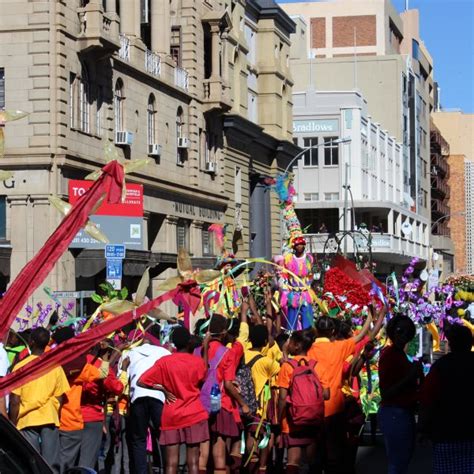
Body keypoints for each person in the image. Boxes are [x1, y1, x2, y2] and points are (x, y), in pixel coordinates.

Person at [307, 306, 384, 474]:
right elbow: (364, 336)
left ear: (316, 329)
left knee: (317, 453)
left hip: (312, 407)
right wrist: (372, 317)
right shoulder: (339, 347)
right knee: (335, 452)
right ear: (333, 330)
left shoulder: (309, 348)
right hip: (335, 407)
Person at [139, 326, 209, 474]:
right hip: (194, 413)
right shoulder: (197, 362)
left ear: (174, 343)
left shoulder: (165, 362)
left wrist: (162, 390)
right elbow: (204, 376)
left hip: (172, 414)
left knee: (171, 462)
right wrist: (206, 347)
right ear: (189, 342)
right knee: (193, 462)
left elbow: (141, 381)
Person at [9, 327, 70, 473]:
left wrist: (12, 423)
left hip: (27, 419)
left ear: (31, 342)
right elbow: (59, 397)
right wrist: (56, 414)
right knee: (51, 464)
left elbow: (15, 400)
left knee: (32, 462)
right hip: (49, 417)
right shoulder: (55, 366)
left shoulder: (21, 366)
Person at [419, 324, 474, 474]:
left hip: (446, 436)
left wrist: (422, 428)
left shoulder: (440, 367)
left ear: (451, 343)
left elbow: (427, 400)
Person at [277, 330, 330, 474]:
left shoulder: (287, 367)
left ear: (296, 345)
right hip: (314, 419)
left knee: (293, 461)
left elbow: (282, 398)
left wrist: (277, 419)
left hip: (292, 422)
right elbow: (326, 395)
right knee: (312, 460)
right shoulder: (317, 366)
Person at [378, 315, 423, 474]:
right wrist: (411, 376)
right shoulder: (389, 355)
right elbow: (386, 392)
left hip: (404, 411)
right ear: (392, 331)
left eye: (407, 331)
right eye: (399, 330)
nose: (403, 334)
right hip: (395, 413)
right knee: (398, 463)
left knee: (402, 461)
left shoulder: (399, 354)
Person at [205, 314, 250, 474]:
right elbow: (229, 384)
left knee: (202, 448)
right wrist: (243, 403)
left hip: (199, 403)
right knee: (219, 446)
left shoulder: (197, 349)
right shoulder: (227, 353)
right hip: (220, 403)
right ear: (224, 333)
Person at [122, 330, 171, 474]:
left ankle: (140, 471)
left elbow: (122, 377)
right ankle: (167, 469)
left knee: (139, 439)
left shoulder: (129, 353)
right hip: (159, 397)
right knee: (163, 436)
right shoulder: (164, 352)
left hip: (138, 397)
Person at [78, 339, 124, 470]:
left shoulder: (80, 361)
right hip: (92, 417)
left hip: (72, 416)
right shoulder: (101, 366)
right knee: (86, 461)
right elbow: (117, 388)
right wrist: (124, 372)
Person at [244, 324, 281, 474]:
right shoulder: (267, 362)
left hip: (244, 401)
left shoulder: (242, 354)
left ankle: (251, 463)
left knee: (250, 433)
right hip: (261, 405)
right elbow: (282, 369)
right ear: (265, 341)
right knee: (263, 434)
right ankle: (262, 467)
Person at [280, 236, 314, 330]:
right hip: (293, 292)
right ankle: (291, 336)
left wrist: (308, 286)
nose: (299, 247)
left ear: (304, 246)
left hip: (305, 292)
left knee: (307, 316)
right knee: (292, 318)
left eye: (301, 245)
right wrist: (285, 292)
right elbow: (284, 276)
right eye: (297, 245)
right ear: (294, 247)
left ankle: (308, 335)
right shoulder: (288, 259)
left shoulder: (308, 259)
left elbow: (311, 275)